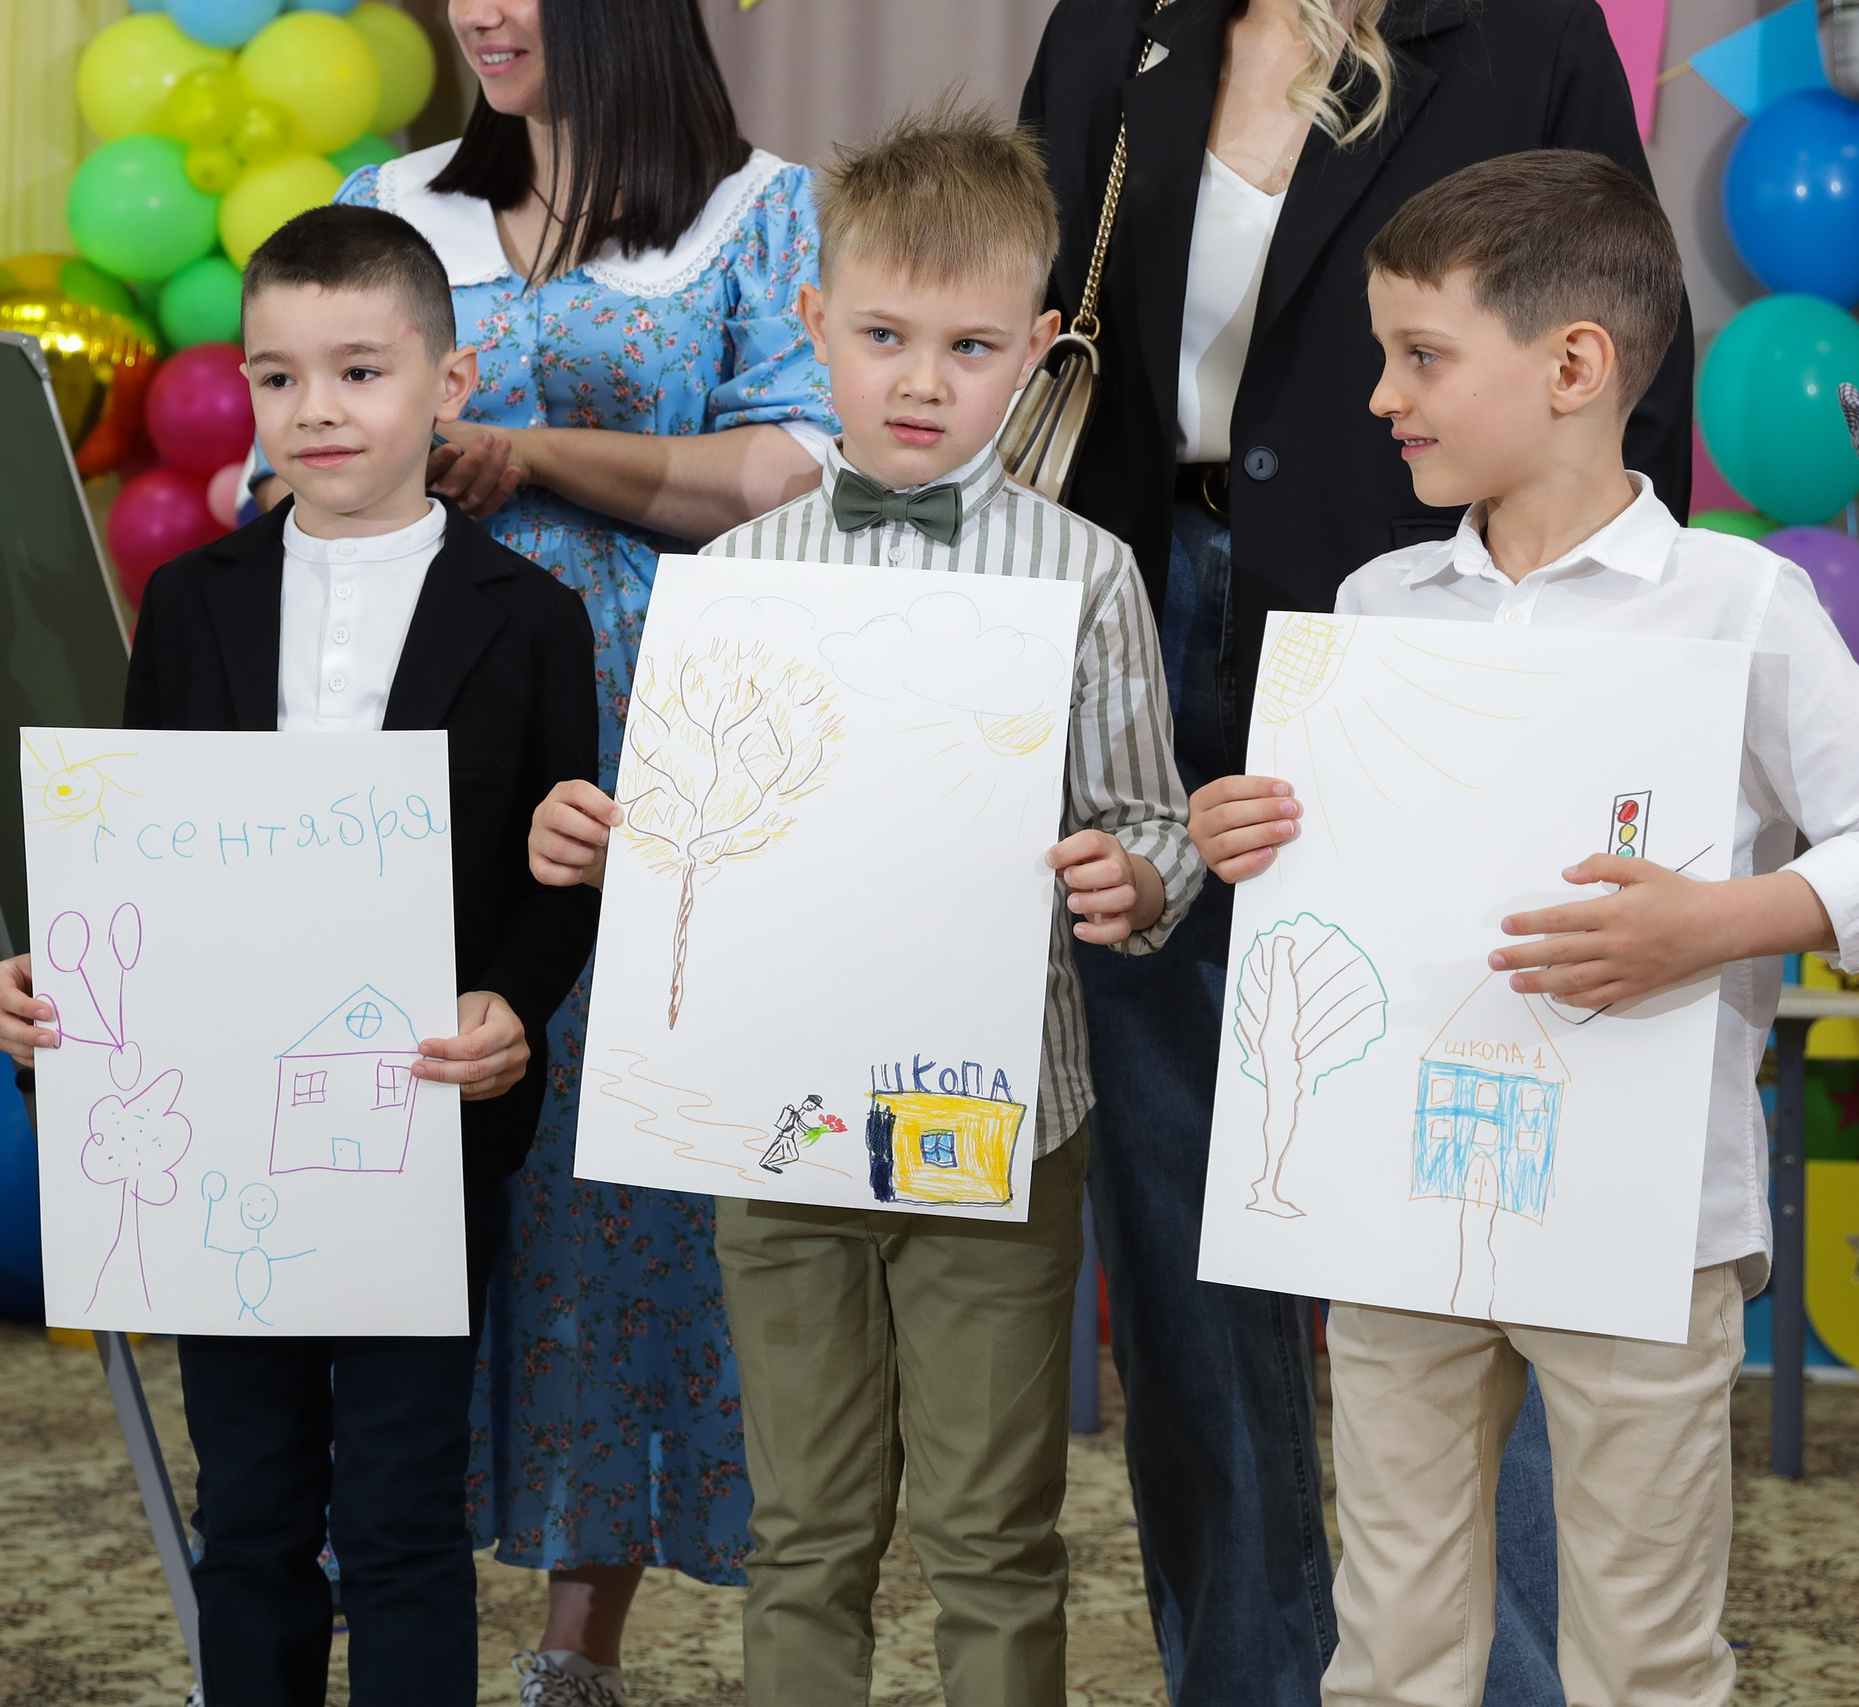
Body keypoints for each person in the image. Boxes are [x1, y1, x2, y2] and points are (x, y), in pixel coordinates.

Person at [1017, 3, 1689, 1699]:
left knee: (1484, 1197)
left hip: (1444, 629)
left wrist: (1619, 676)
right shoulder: (1119, 24)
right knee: (1185, 1218)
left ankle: (1515, 1679)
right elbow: (1026, 324)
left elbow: (1620, 345)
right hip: (1135, 614)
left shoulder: (1519, 30)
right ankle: (1245, 1671)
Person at [527, 107, 1200, 1703]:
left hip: (997, 1127)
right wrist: (599, 837)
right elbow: (689, 846)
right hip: (778, 1120)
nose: (918, 381)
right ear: (816, 325)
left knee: (991, 1529)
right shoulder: (738, 574)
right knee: (806, 1525)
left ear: (1037, 351)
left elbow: (1152, 827)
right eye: (883, 335)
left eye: (969, 347)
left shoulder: (1085, 572)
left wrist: (1137, 876)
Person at [1190, 147, 1851, 1707]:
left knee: (1645, 1649)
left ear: (1574, 366)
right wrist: (1245, 834)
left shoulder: (1740, 606)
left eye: (1420, 356)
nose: (1378, 397)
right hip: (1394, 1215)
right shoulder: (1375, 608)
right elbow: (1327, 883)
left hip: (1647, 1228)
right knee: (1394, 1642)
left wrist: (1722, 921)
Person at [253, 4, 838, 1692]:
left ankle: (579, 1640)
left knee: (609, 1187)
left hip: (642, 751)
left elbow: (804, 470)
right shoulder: (397, 189)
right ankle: (377, 1576)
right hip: (394, 742)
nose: (482, 12)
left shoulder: (757, 208)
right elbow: (283, 448)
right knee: (385, 1101)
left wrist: (541, 454)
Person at [0, 204, 601, 1707]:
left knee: (398, 1515)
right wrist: (51, 980)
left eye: (360, 372)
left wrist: (514, 1006)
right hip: (214, 1146)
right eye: (277, 378)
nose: (315, 410)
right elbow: (139, 847)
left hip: (419, 1133)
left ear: (448, 387)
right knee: (249, 1511)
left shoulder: (532, 618)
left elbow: (558, 868)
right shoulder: (193, 601)